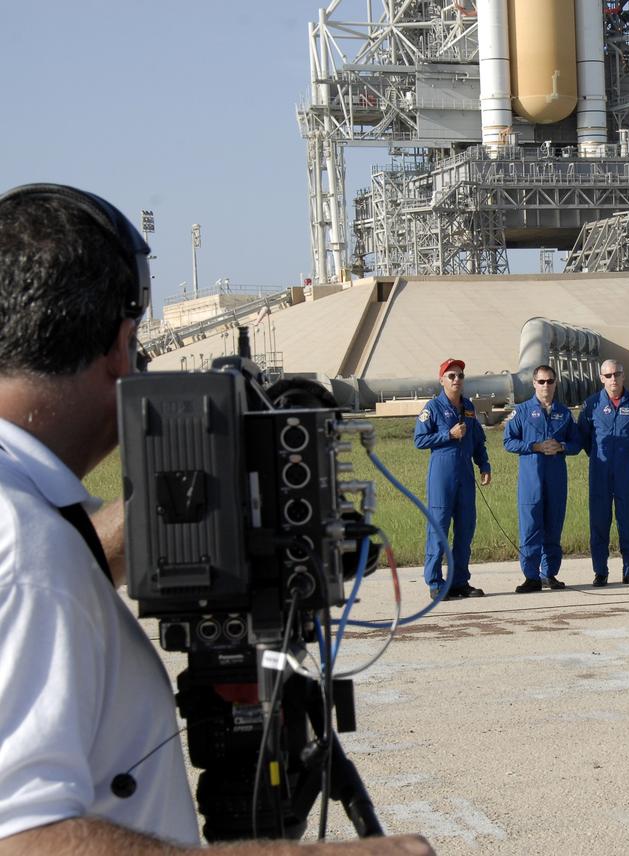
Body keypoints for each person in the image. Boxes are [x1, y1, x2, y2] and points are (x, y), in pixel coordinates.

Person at [0, 184, 432, 854]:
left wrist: (213, 482)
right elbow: (21, 839)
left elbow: (76, 545)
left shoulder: (27, 512)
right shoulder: (25, 550)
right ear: (120, 344)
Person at [413, 358, 491, 600]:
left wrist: (484, 463)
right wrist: (448, 434)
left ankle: (459, 581)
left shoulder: (468, 407)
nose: (457, 380)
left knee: (465, 529)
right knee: (438, 529)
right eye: (451, 376)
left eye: (460, 376)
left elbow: (477, 439)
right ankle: (436, 583)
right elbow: (420, 440)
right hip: (442, 475)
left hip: (465, 476)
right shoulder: (433, 408)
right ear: (442, 380)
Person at [503, 364, 581, 593]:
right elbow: (508, 442)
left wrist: (562, 446)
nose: (546, 385)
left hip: (556, 479)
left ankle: (550, 573)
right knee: (530, 527)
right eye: (541, 381)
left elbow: (577, 444)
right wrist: (534, 446)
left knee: (554, 525)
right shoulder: (522, 411)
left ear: (556, 383)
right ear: (534, 384)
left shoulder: (564, 413)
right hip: (531, 480)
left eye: (550, 381)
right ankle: (531, 576)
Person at [578, 359, 629, 586]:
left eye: (616, 374)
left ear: (623, 375)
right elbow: (585, 438)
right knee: (599, 522)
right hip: (600, 472)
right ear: (601, 378)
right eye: (608, 376)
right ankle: (600, 572)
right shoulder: (591, 405)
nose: (613, 379)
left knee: (628, 521)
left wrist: (625, 457)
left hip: (626, 473)